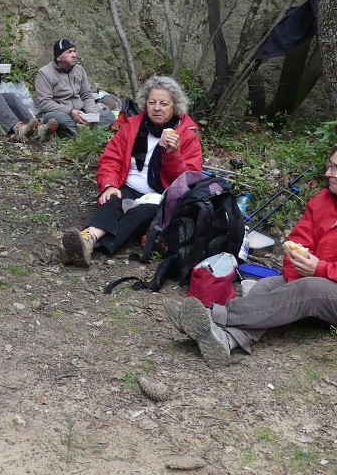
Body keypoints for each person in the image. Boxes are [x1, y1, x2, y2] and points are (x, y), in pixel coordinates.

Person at [164, 145, 337, 365]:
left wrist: (319, 270)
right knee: (265, 287)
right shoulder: (322, 200)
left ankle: (213, 316)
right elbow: (298, 243)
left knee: (310, 289)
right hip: (316, 283)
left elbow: (315, 279)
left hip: (326, 290)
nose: (328, 173)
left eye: (336, 168)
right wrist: (299, 271)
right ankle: (227, 340)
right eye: (329, 165)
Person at [61, 75, 203, 267]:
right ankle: (87, 239)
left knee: (143, 213)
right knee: (112, 200)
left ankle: (89, 245)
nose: (157, 108)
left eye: (164, 103)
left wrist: (172, 154)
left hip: (159, 196)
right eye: (152, 102)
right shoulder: (132, 126)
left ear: (175, 107)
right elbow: (111, 160)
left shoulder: (187, 136)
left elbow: (188, 182)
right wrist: (109, 185)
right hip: (127, 185)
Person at [34, 39, 117, 137]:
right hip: (60, 113)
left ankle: (84, 133)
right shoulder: (44, 73)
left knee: (108, 116)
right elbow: (44, 103)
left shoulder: (79, 70)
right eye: (69, 52)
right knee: (60, 120)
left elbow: (86, 95)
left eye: (74, 51)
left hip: (81, 112)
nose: (74, 55)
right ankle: (83, 136)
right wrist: (70, 111)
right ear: (58, 57)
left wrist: (92, 112)